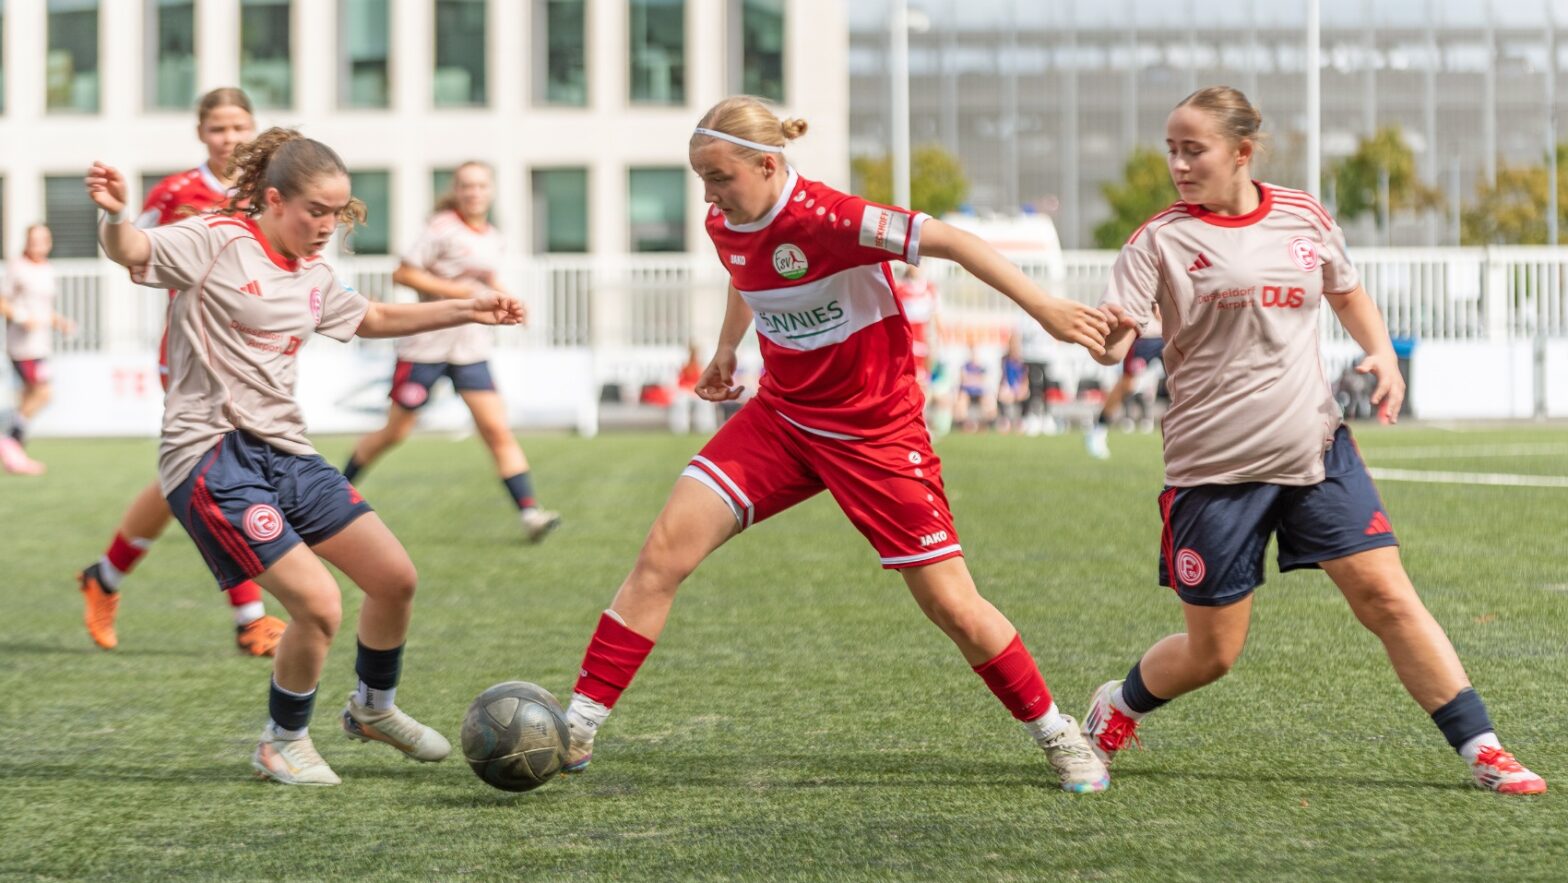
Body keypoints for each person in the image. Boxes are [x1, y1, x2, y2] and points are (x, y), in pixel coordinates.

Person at [557, 96, 1116, 794]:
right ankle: (576, 726)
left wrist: (1048, 308)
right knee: (661, 555)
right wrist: (727, 348)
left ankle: (1059, 734)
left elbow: (952, 240)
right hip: (781, 421)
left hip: (875, 435)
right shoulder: (723, 220)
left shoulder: (834, 218)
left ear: (768, 165)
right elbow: (747, 271)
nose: (708, 195)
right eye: (701, 178)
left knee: (952, 605)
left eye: (720, 177)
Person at [1079, 86, 1545, 795]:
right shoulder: (1159, 240)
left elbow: (1347, 292)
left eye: (1194, 149)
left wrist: (1382, 354)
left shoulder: (1303, 215)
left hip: (1316, 450)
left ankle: (1483, 747)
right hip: (1214, 471)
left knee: (1388, 597)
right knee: (1213, 654)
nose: (1178, 164)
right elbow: (1116, 342)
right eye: (1172, 150)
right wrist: (1107, 335)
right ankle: (1118, 705)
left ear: (1242, 151)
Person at [86, 128, 525, 786]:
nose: (326, 226)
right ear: (274, 199)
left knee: (394, 578)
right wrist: (116, 213)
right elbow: (131, 249)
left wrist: (466, 308)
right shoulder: (216, 239)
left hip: (285, 450)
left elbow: (371, 317)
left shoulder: (314, 273)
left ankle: (373, 709)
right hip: (210, 455)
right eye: (315, 211)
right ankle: (282, 742)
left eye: (337, 213)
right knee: (319, 605)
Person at [75, 88, 288, 655]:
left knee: (189, 478)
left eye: (238, 126)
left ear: (253, 128)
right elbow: (131, 251)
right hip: (192, 357)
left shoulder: (270, 192)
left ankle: (106, 576)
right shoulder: (174, 192)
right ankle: (249, 617)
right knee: (222, 476)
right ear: (201, 133)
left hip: (254, 357)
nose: (229, 138)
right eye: (218, 128)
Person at [341, 162, 561, 542]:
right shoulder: (440, 228)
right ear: (456, 191)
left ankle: (530, 514)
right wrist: (462, 295)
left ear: (490, 191)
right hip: (424, 347)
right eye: (466, 186)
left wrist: (509, 300)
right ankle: (334, 492)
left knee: (496, 429)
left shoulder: (493, 237)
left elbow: (486, 278)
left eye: (480, 186)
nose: (474, 192)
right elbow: (403, 274)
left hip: (470, 349)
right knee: (395, 433)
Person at [1, 224, 73, 474]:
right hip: (23, 345)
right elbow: (3, 301)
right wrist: (21, 317)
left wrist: (60, 322)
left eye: (43, 239)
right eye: (34, 239)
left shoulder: (47, 269)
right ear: (27, 241)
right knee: (43, 393)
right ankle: (9, 441)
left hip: (41, 344)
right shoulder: (17, 268)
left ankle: (15, 457)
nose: (39, 243)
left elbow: (43, 309)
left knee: (27, 396)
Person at [1085, 309, 1163, 460]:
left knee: (1181, 382)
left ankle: (1188, 436)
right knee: (1127, 385)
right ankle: (1099, 428)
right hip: (1143, 336)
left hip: (1168, 334)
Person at [994, 333, 1029, 434]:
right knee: (1002, 395)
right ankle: (1005, 420)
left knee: (1025, 394)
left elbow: (1025, 378)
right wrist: (1007, 388)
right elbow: (1004, 376)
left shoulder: (1022, 360)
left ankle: (1021, 420)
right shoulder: (1005, 359)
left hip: (1019, 386)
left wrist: (1022, 388)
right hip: (1008, 386)